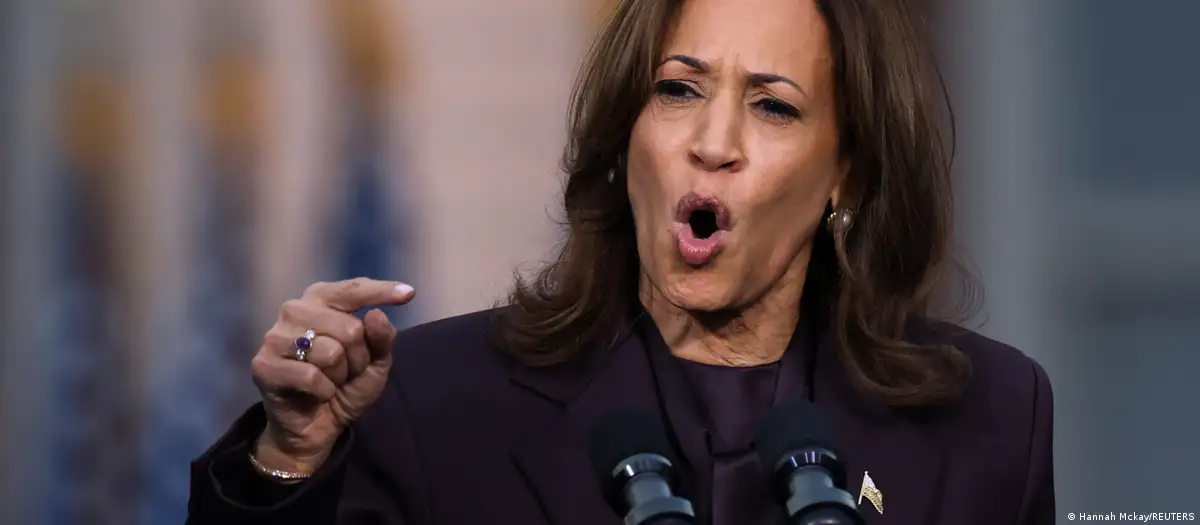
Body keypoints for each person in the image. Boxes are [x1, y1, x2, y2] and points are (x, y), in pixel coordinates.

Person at [187, 0, 1055, 523]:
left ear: (847, 174)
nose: (712, 143)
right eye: (677, 89)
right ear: (624, 134)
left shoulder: (986, 423)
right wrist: (289, 460)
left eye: (773, 107)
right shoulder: (435, 407)